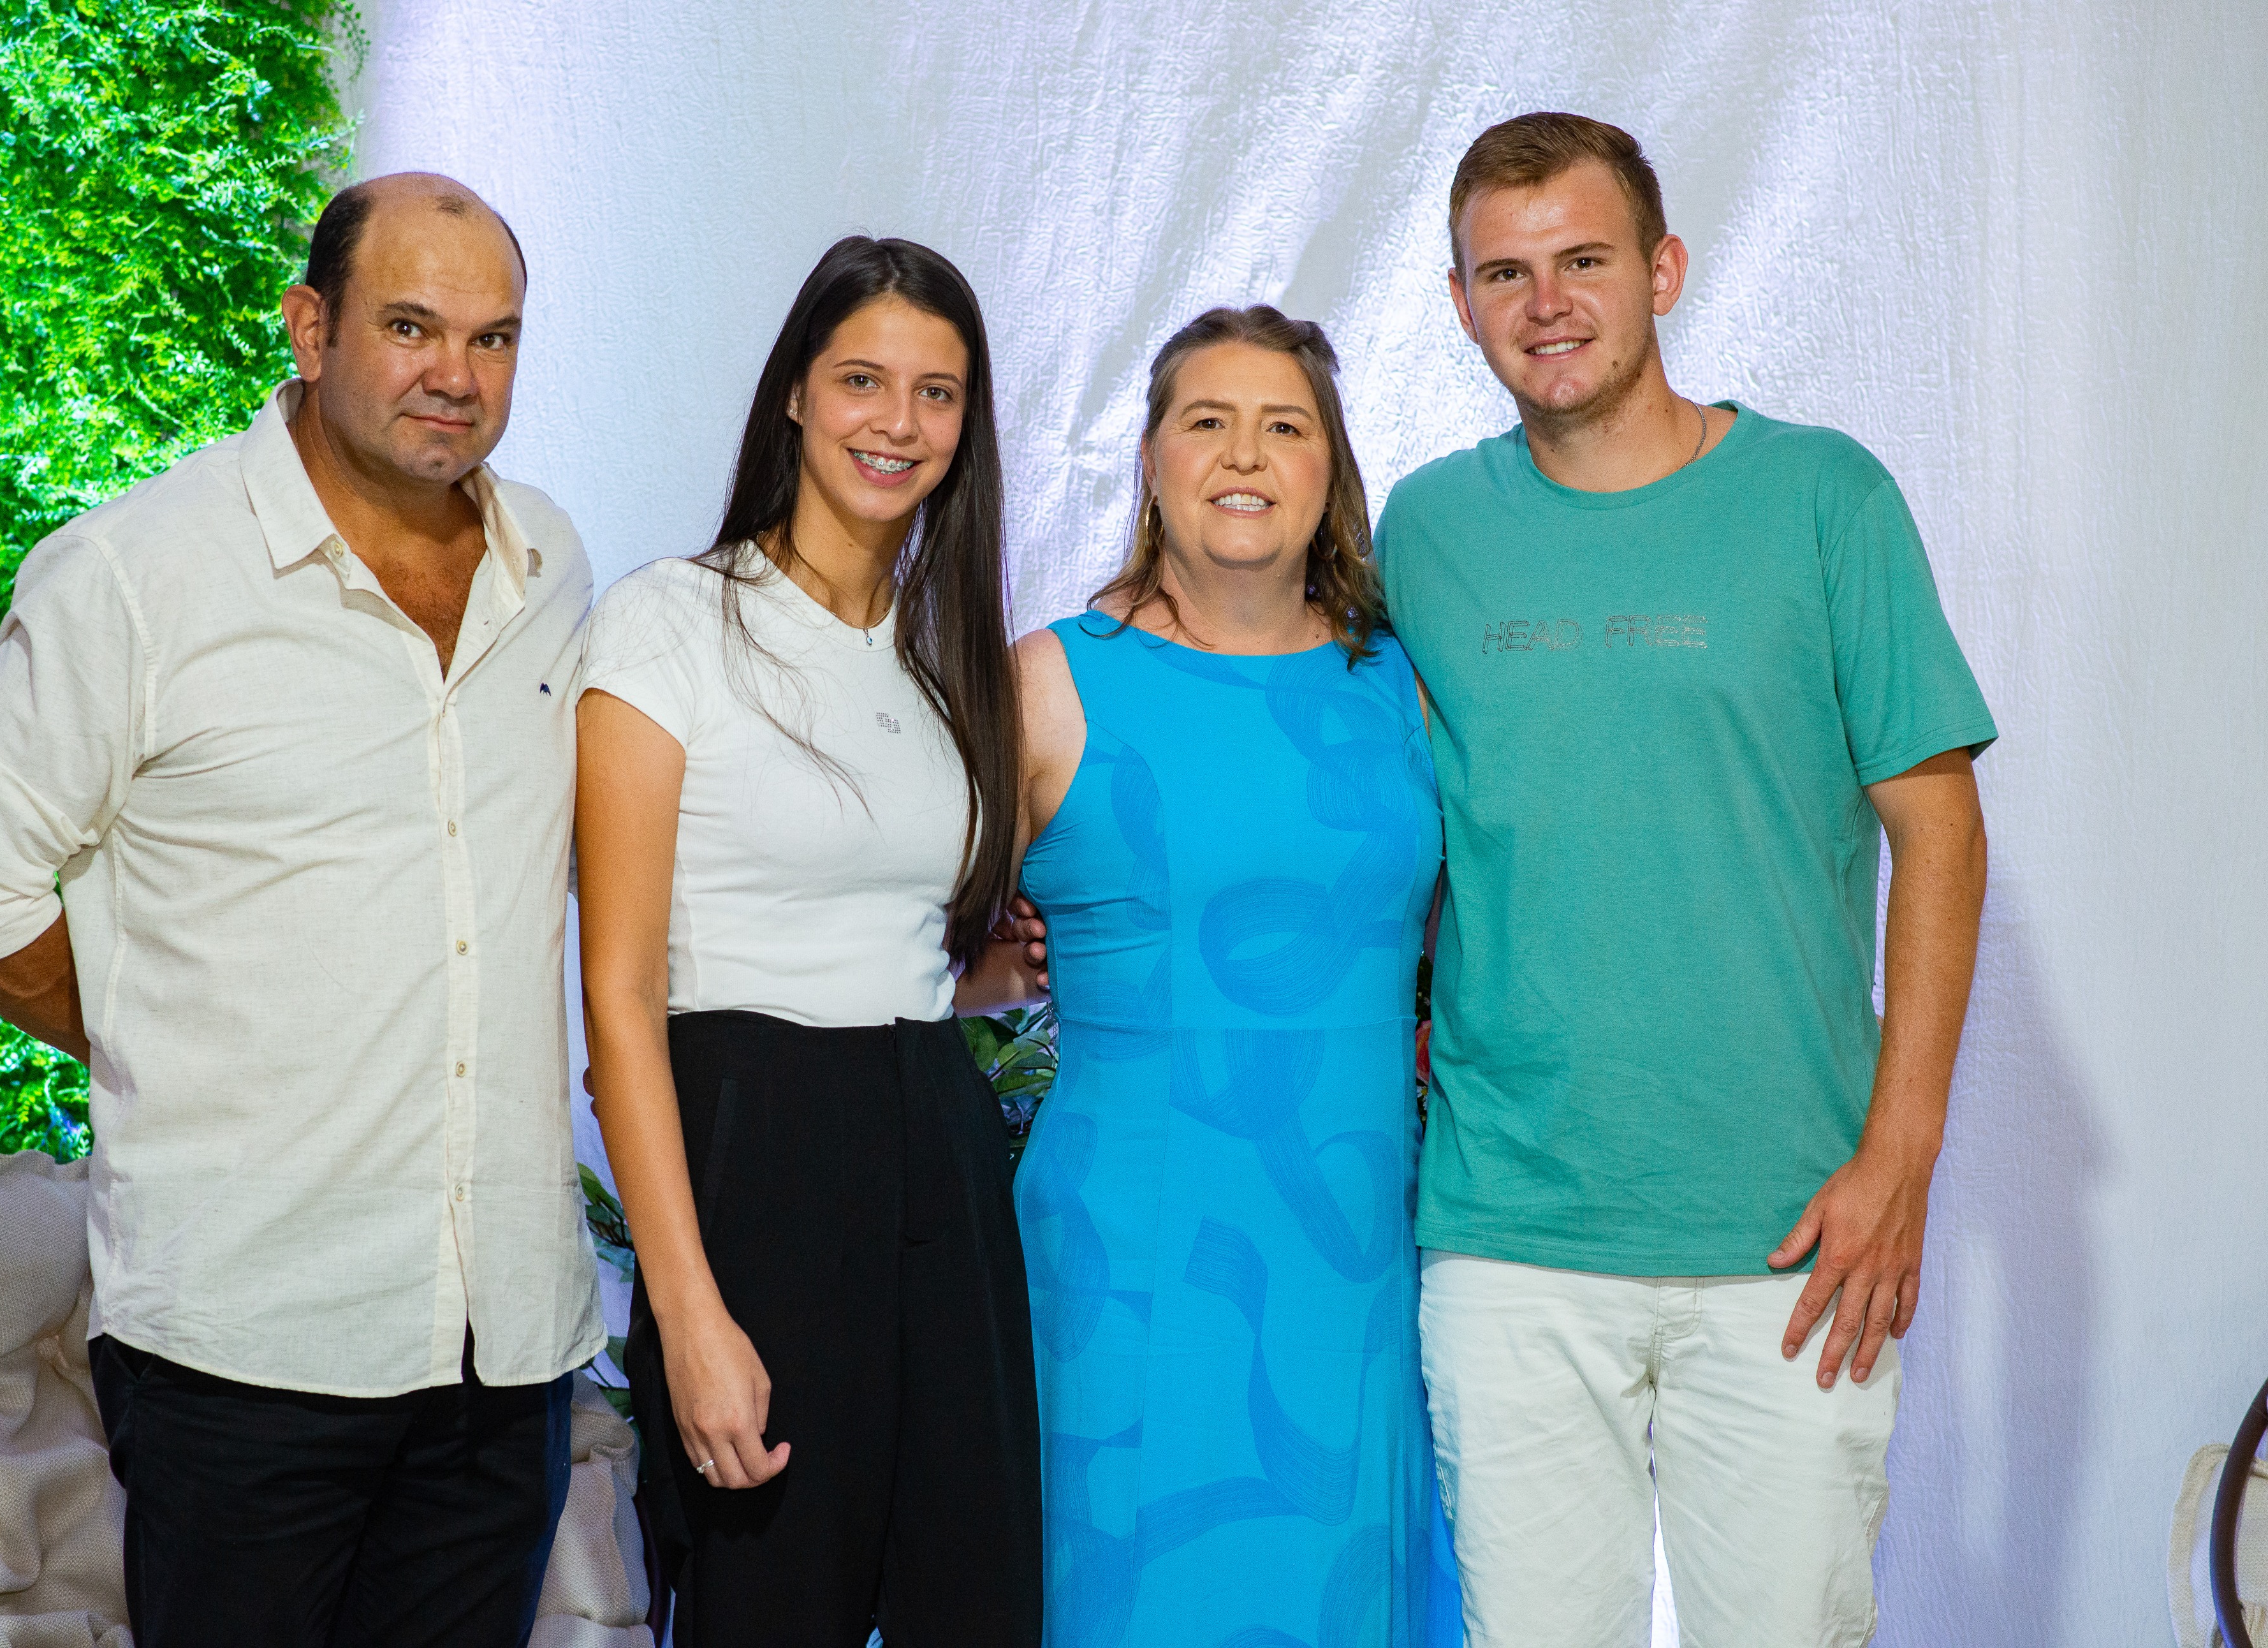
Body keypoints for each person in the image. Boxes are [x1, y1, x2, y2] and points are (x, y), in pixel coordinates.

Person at [0, 174, 601, 1647]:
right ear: (311, 327)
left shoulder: (549, 563)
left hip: (507, 1332)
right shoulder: (137, 575)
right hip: (247, 1335)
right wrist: (153, 1034)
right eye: (411, 326)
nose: (456, 375)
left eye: (495, 337)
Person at [1377, 112, 1997, 1646]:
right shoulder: (1427, 528)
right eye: (1504, 273)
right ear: (1458, 301)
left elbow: (1939, 827)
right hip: (1511, 1228)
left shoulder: (1822, 497)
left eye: (1583, 260)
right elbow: (1386, 810)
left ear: (1661, 271)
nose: (1547, 304)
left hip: (1789, 1228)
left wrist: (1901, 1155)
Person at [574, 235, 1040, 1647]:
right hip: (757, 1166)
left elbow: (892, 936)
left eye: (938, 393)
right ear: (794, 391)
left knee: (977, 1613)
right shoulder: (667, 623)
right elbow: (620, 994)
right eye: (861, 380)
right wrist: (689, 1313)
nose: (899, 422)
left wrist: (998, 972)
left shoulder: (948, 657)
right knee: (769, 1613)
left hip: (939, 1155)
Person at [965, 305, 1454, 1647]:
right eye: (1207, 421)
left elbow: (1473, 938)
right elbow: (909, 954)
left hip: (1355, 1259)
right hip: (1123, 1257)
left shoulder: (1403, 689)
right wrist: (1015, 955)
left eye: (1284, 425)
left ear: (1329, 468)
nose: (1245, 453)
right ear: (1151, 459)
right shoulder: (1051, 681)